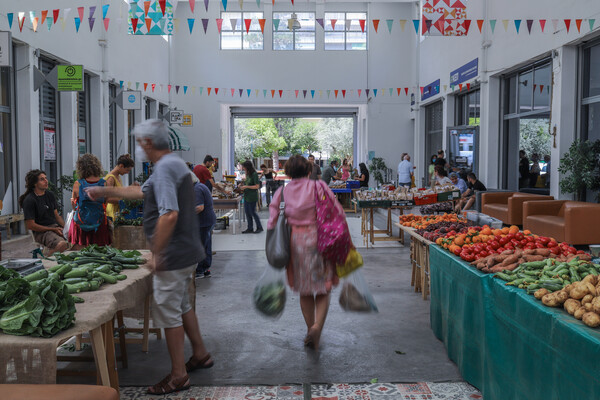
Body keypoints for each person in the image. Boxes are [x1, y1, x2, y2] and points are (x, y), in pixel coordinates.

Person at [86, 119, 210, 395]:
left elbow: (170, 214)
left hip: (174, 253)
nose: (139, 148)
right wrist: (105, 192)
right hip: (187, 249)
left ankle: (179, 376)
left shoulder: (165, 169)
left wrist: (159, 253)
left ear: (149, 143)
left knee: (168, 312)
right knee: (181, 306)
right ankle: (200, 353)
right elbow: (141, 191)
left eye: (141, 142)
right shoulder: (174, 164)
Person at [267, 155, 339, 351]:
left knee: (305, 289)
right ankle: (317, 328)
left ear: (288, 173)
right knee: (323, 288)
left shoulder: (282, 193)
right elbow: (335, 212)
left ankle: (310, 328)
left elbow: (272, 221)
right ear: (309, 171)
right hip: (320, 240)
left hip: (296, 243)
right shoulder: (319, 188)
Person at [20, 169, 73, 256]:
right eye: (42, 179)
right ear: (35, 183)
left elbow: (57, 216)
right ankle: (46, 261)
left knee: (78, 241)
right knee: (62, 244)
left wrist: (67, 229)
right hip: (41, 232)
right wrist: (53, 229)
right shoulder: (30, 200)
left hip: (55, 228)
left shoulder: (50, 195)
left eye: (46, 178)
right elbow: (30, 225)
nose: (46, 181)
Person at [69, 154, 111, 246]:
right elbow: (105, 204)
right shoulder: (104, 184)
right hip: (99, 223)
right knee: (100, 251)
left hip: (81, 223)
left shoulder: (78, 184)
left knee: (81, 252)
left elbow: (75, 206)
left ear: (81, 168)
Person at [192, 173, 216, 279]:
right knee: (206, 245)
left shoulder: (196, 189)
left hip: (204, 222)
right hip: (207, 221)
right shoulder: (201, 186)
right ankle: (206, 269)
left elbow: (200, 207)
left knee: (202, 246)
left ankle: (201, 270)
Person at [105, 154, 135, 222]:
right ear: (121, 166)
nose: (127, 173)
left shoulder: (117, 176)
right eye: (127, 170)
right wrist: (124, 200)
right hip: (112, 214)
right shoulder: (111, 178)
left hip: (117, 212)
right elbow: (107, 198)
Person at [240, 161, 263, 234]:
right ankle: (250, 228)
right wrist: (241, 185)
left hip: (252, 197)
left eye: (244, 167)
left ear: (247, 167)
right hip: (247, 196)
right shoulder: (248, 174)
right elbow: (247, 183)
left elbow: (257, 186)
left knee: (253, 212)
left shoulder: (254, 174)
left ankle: (259, 227)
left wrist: (246, 186)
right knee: (247, 212)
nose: (243, 168)